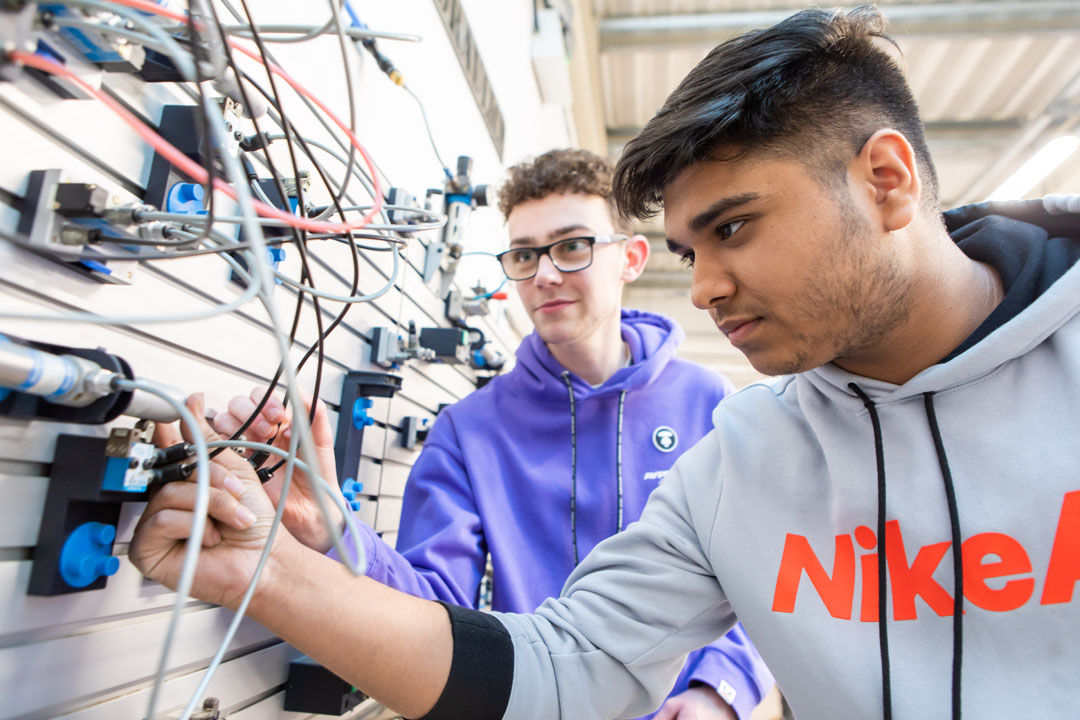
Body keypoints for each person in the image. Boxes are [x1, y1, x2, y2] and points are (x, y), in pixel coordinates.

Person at [131, 6, 1080, 720]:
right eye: (689, 252)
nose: (705, 288)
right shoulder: (748, 456)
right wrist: (278, 567)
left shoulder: (710, 407)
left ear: (886, 180)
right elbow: (562, 662)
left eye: (735, 227)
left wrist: (716, 693)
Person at [206, 149, 777, 719]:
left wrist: (717, 695)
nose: (545, 274)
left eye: (573, 245)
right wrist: (331, 527)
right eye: (525, 255)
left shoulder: (710, 403)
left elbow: (756, 579)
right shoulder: (469, 430)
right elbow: (429, 610)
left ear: (629, 257)